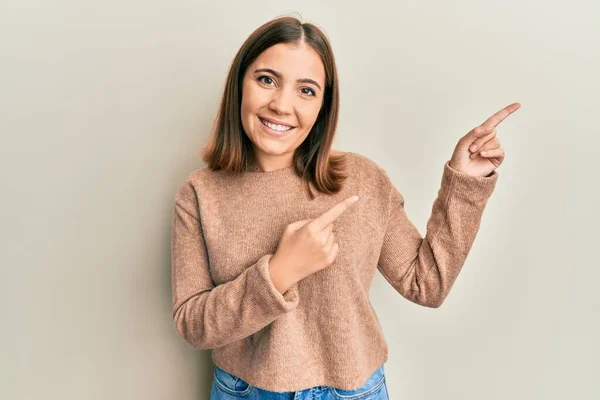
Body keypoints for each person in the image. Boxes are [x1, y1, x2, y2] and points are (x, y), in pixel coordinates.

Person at [170, 15, 520, 400]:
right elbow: (192, 324)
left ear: (323, 105)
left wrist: (464, 182)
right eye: (266, 79)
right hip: (245, 391)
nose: (282, 105)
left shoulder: (363, 179)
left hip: (356, 392)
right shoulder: (200, 193)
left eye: (306, 90)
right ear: (240, 85)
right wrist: (280, 271)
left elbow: (427, 284)